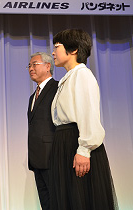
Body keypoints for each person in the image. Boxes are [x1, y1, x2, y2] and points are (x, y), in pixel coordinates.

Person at [50, 28, 118, 210]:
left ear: (73, 50)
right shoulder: (69, 77)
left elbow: (88, 114)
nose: (53, 52)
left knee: (81, 199)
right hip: (65, 142)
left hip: (76, 142)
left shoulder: (82, 75)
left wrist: (84, 150)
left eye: (57, 46)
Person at [27, 52, 58, 210]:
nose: (31, 68)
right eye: (29, 66)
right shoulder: (33, 96)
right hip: (37, 158)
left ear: (48, 66)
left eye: (34, 64)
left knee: (58, 201)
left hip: (54, 156)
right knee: (46, 204)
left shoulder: (58, 88)